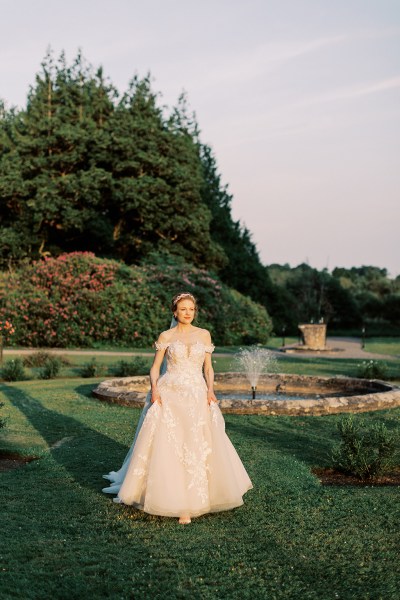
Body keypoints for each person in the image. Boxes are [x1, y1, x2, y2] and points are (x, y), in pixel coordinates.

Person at [102, 292, 252, 524]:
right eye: (183, 309)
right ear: (175, 311)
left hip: (196, 394)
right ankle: (173, 499)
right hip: (169, 394)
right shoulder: (167, 335)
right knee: (169, 443)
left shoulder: (204, 335)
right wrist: (154, 389)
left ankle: (196, 498)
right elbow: (155, 367)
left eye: (191, 309)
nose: (188, 313)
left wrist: (211, 390)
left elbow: (208, 369)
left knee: (197, 442)